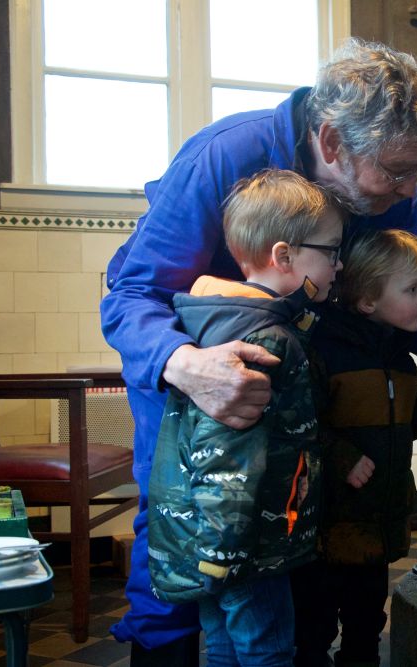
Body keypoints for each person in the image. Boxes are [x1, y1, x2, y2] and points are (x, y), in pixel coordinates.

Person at [100, 37, 417, 663]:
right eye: (397, 171)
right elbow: (132, 296)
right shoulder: (223, 156)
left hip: (299, 394)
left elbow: (404, 300)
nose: (409, 189)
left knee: (284, 568)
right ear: (333, 143)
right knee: (177, 555)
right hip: (190, 388)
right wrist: (188, 366)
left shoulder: (387, 188)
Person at [146, 169, 343, 666]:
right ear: (284, 256)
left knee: (222, 648)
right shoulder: (264, 340)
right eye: (332, 251)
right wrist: (225, 552)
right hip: (246, 546)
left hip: (217, 540)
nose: (340, 265)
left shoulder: (218, 322)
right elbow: (225, 459)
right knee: (267, 651)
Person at [293, 230, 417, 666]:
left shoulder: (401, 361)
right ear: (368, 301)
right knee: (314, 629)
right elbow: (302, 425)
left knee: (367, 624)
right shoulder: (327, 353)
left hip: (377, 523)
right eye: (412, 289)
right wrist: (342, 459)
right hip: (328, 530)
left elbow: (398, 430)